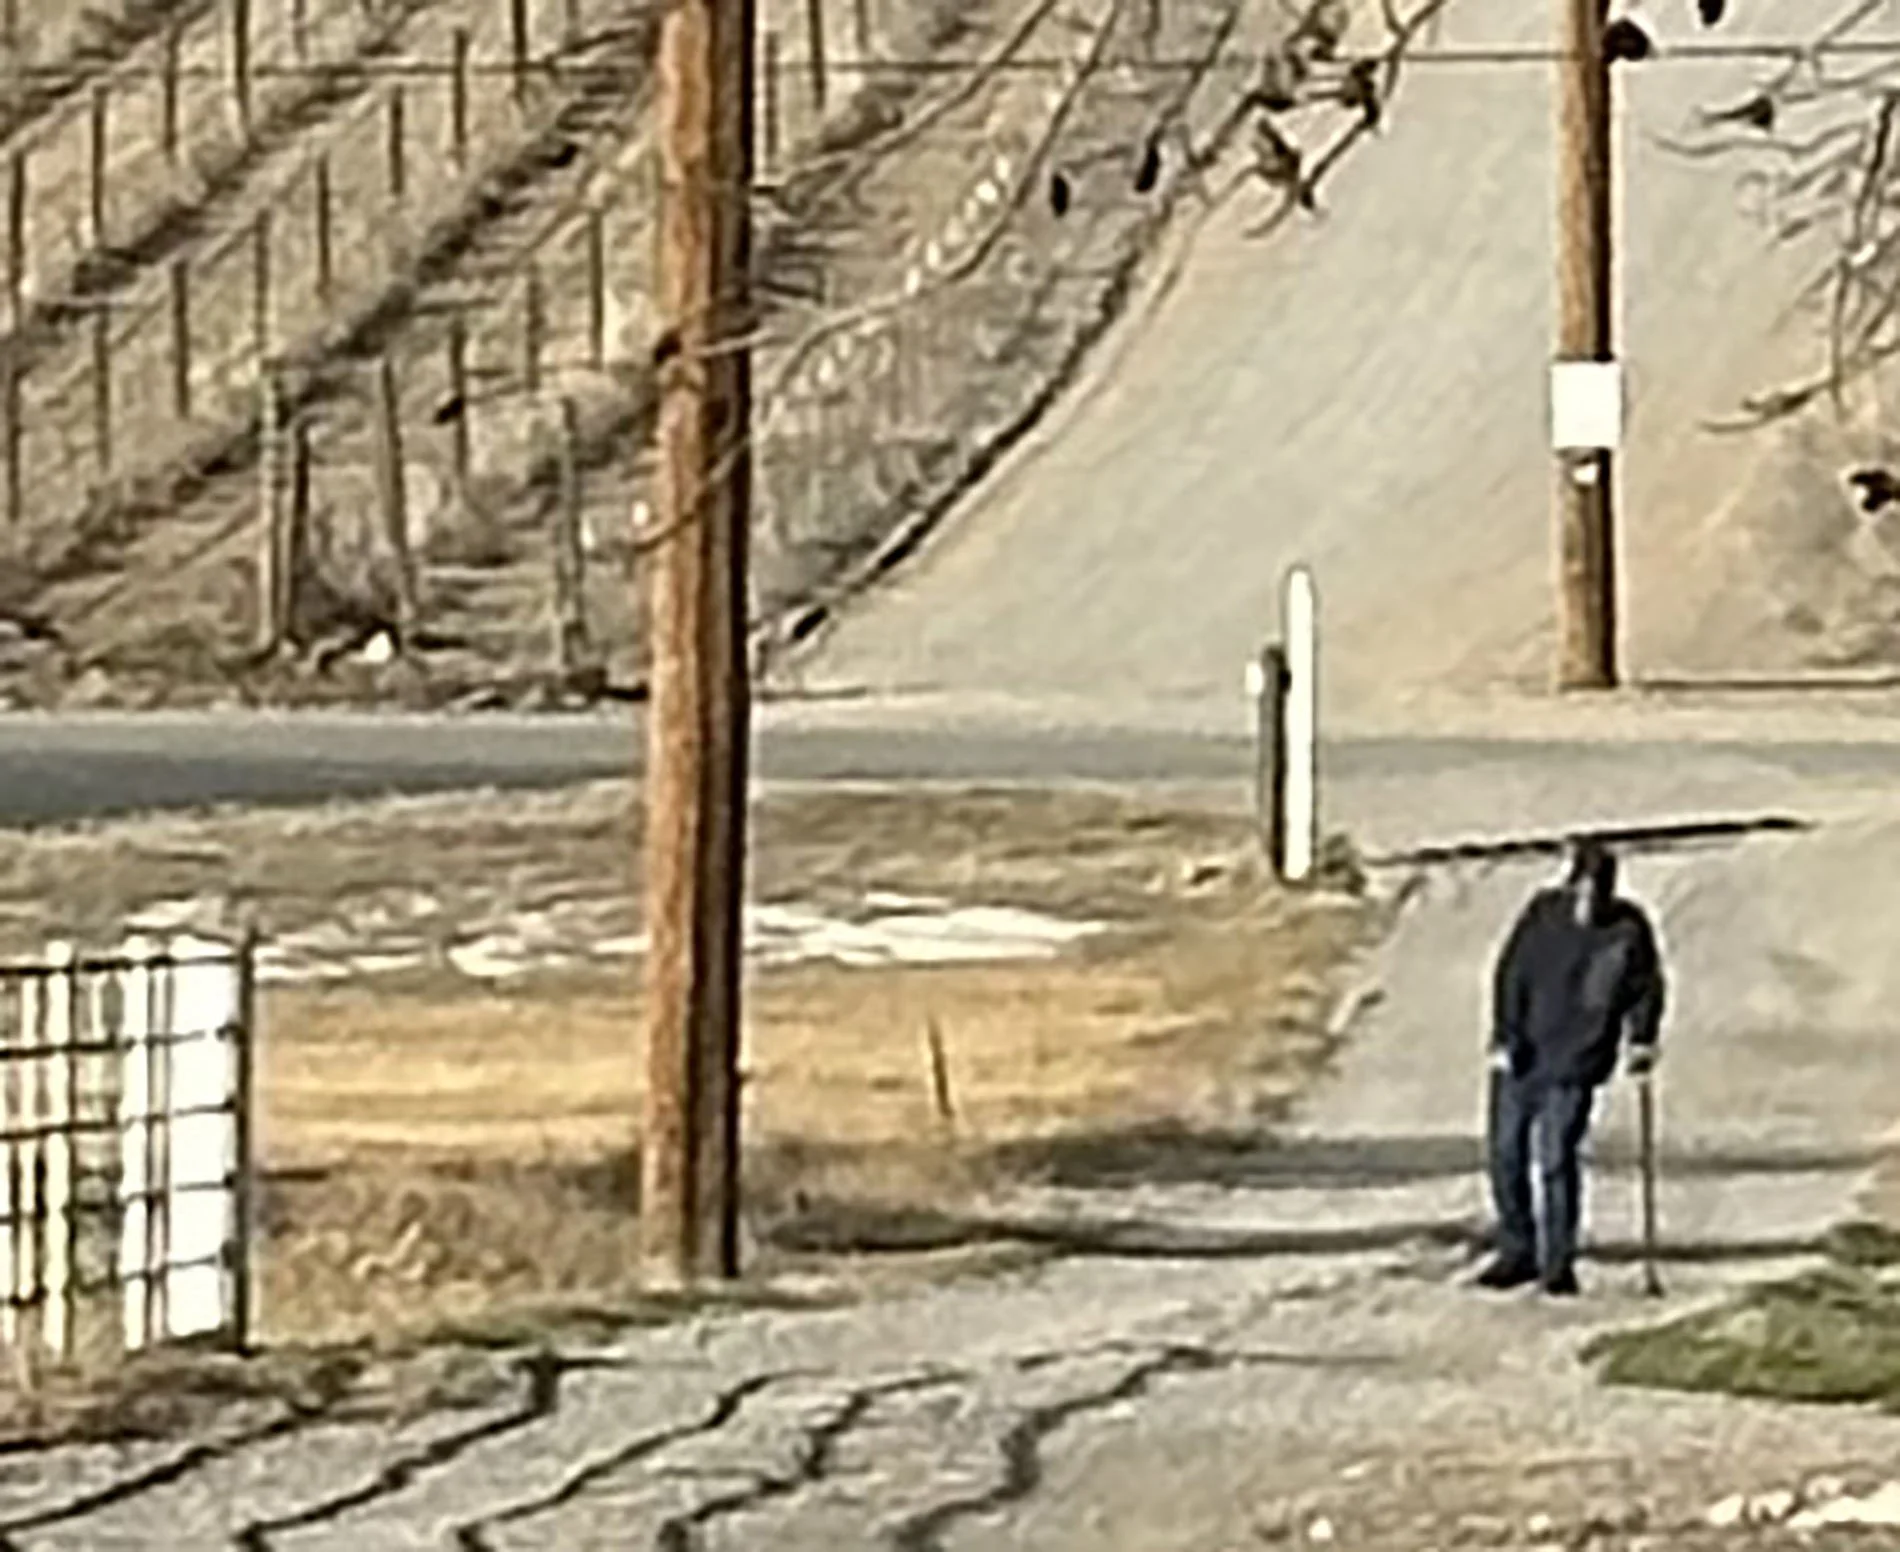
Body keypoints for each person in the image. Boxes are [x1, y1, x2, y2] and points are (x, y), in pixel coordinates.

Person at [1477, 837, 1665, 1296]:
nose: (1589, 903)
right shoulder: (1543, 916)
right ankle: (1517, 1250)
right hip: (1522, 1053)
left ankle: (1558, 1264)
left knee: (1556, 1157)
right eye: (1583, 890)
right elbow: (1511, 974)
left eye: (1598, 893)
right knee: (1506, 1154)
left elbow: (1645, 988)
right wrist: (1505, 1035)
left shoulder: (1628, 930)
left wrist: (1641, 1039)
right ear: (1571, 883)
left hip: (1579, 1060)